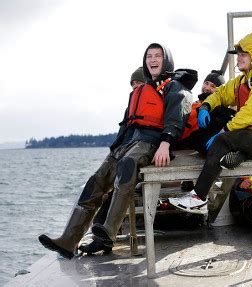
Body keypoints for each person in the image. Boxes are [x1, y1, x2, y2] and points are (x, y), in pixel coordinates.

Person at [38, 43, 197, 258]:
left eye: (158, 55)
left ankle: (108, 231)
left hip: (150, 142)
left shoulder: (174, 87)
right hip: (126, 144)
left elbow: (176, 117)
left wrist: (166, 143)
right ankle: (68, 240)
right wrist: (113, 151)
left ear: (166, 60)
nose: (153, 59)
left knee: (127, 166)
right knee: (96, 181)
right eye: (149, 56)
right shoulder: (140, 91)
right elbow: (126, 125)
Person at [168, 31, 252, 215]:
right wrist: (205, 107)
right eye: (238, 55)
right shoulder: (242, 79)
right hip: (251, 135)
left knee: (221, 140)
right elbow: (221, 93)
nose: (239, 59)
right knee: (201, 141)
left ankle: (199, 198)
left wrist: (224, 131)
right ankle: (240, 153)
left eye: (243, 55)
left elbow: (251, 113)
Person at [79, 67, 145, 255]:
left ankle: (102, 239)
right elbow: (122, 137)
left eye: (139, 83)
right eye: (133, 84)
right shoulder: (130, 108)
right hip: (122, 156)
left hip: (138, 160)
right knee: (97, 186)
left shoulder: (152, 103)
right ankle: (87, 235)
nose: (135, 86)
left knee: (116, 190)